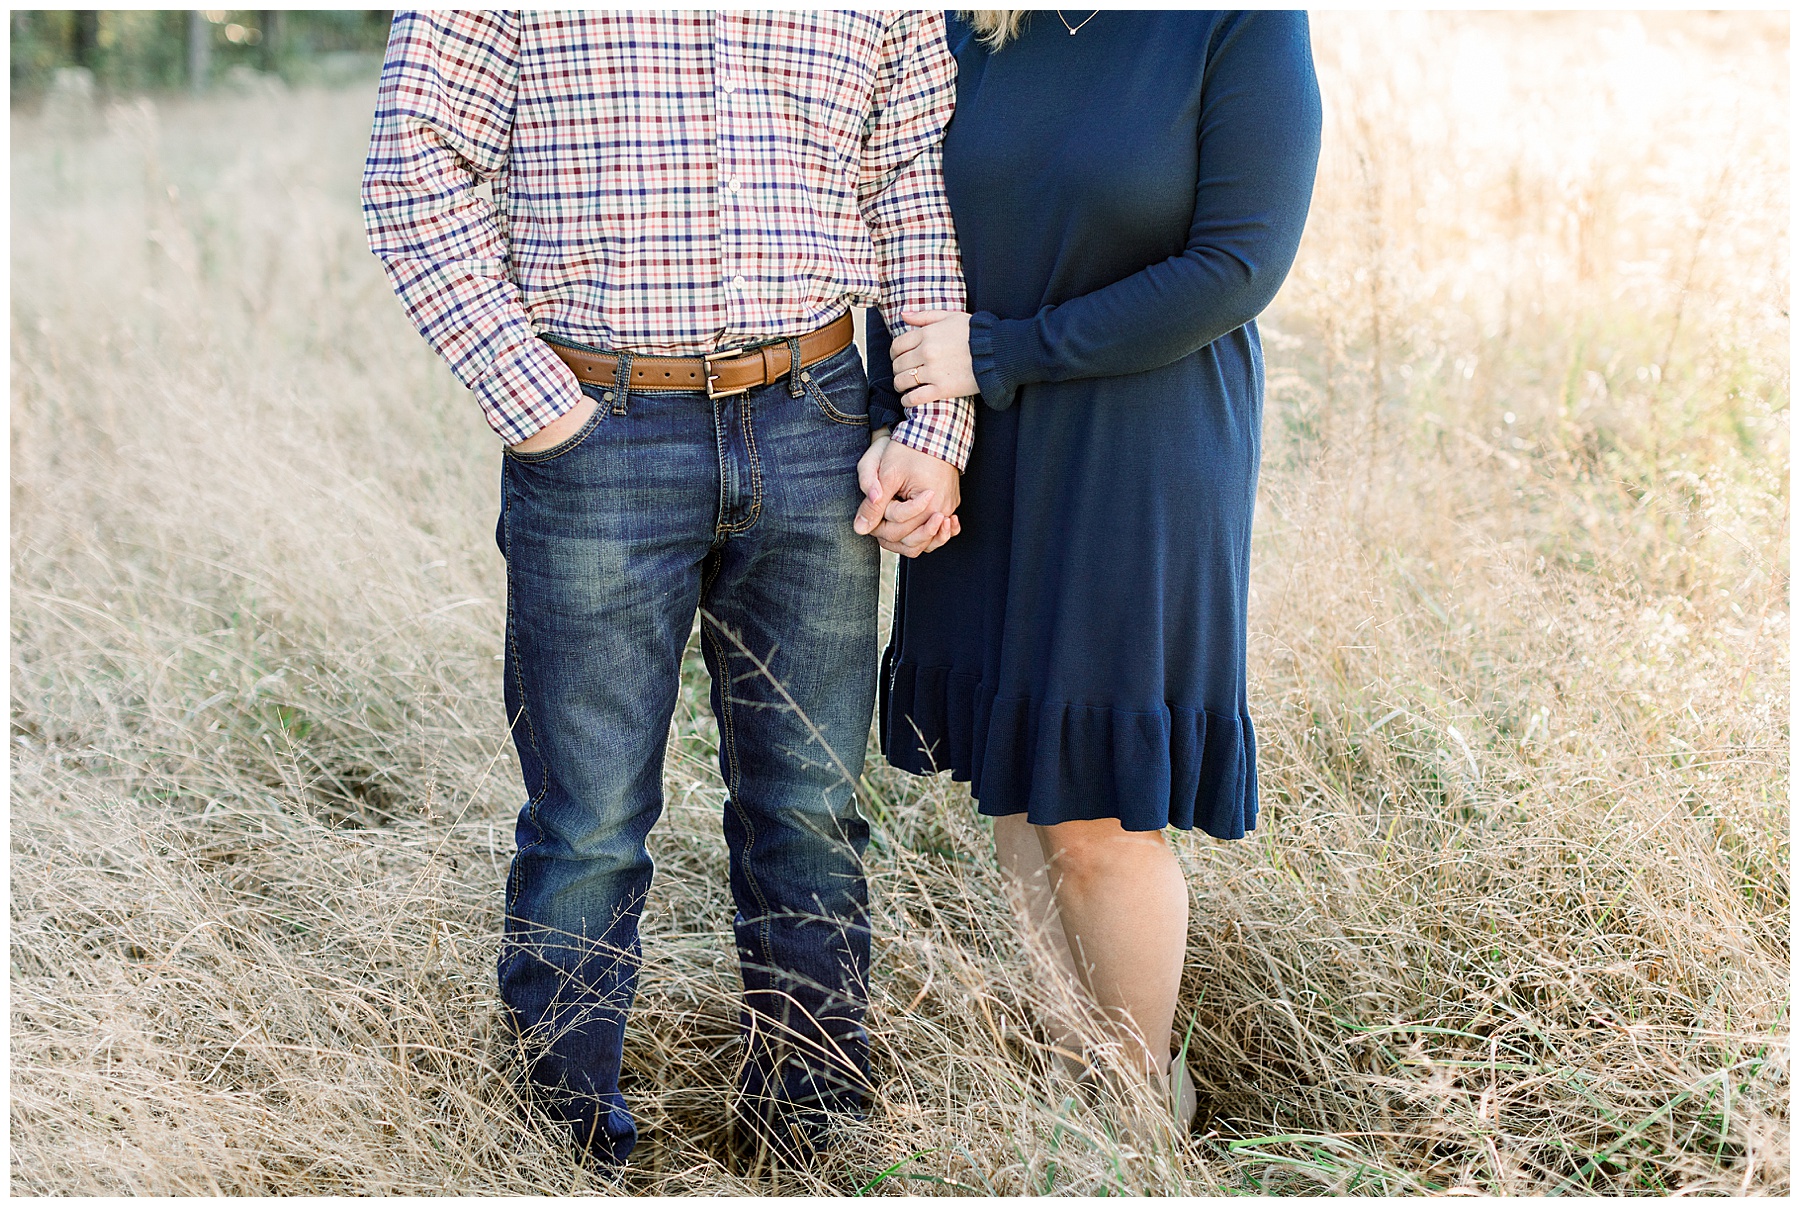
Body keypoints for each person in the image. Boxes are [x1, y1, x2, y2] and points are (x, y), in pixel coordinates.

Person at [361, 11, 975, 1167]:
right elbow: (410, 175)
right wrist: (541, 406)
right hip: (600, 429)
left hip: (815, 418)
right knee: (588, 821)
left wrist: (936, 420)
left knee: (810, 808)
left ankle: (815, 1126)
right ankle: (565, 1143)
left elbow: (910, 183)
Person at [857, 9, 1322, 1136]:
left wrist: (1003, 354)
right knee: (1023, 776)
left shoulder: (1240, 23)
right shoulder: (966, 23)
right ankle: (1077, 1084)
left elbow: (1238, 265)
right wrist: (910, 425)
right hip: (984, 448)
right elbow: (898, 233)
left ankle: (1132, 1119)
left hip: (1140, 449)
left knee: (1100, 809)